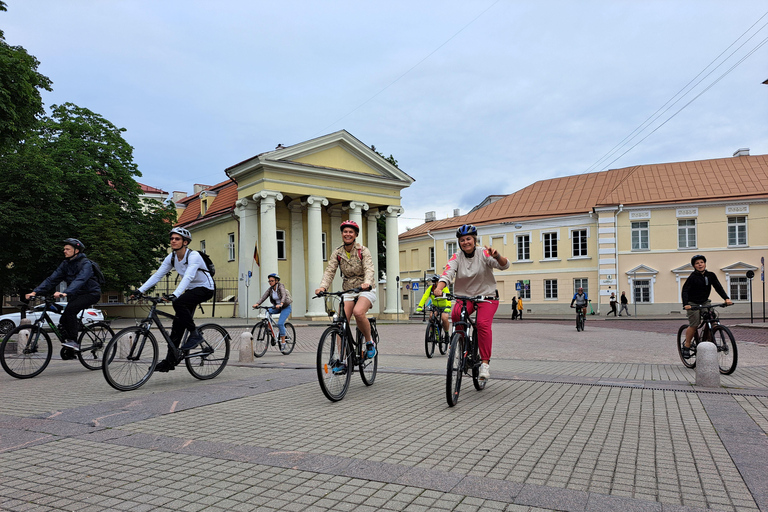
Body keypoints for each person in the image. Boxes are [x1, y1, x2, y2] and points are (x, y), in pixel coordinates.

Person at [433, 224, 509, 382]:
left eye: (468, 239)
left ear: (474, 240)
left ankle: (485, 363)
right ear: (459, 242)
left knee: (482, 324)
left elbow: (504, 265)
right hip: (465, 297)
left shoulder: (484, 253)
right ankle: (460, 347)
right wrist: (439, 288)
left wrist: (497, 256)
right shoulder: (456, 257)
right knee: (455, 315)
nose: (465, 242)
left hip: (487, 297)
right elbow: (447, 273)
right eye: (462, 240)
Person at [133, 227, 215, 372]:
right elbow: (158, 275)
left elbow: (189, 276)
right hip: (191, 290)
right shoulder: (171, 257)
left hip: (205, 288)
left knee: (179, 302)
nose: (173, 241)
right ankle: (169, 362)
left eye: (177, 239)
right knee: (177, 327)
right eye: (171, 239)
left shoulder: (194, 255)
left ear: (185, 242)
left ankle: (195, 334)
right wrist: (140, 290)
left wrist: (175, 294)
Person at [315, 220, 377, 368]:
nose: (347, 234)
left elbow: (369, 269)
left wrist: (367, 282)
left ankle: (369, 342)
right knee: (341, 322)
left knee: (358, 312)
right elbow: (330, 271)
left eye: (351, 232)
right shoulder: (338, 253)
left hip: (365, 289)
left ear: (355, 235)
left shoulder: (363, 251)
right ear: (342, 234)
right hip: (348, 289)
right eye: (345, 232)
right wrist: (322, 287)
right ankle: (342, 360)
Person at [25, 238, 101, 352]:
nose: (64, 251)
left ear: (76, 250)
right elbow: (52, 279)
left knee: (70, 310)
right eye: (64, 249)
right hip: (75, 294)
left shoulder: (86, 264)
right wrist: (35, 292)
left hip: (90, 293)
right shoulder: (65, 264)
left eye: (67, 249)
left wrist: (66, 292)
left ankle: (74, 342)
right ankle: (70, 350)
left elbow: (80, 280)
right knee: (63, 320)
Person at [681, 254, 732, 358]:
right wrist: (686, 304)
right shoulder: (692, 277)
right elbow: (685, 290)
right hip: (692, 303)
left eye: (702, 262)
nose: (700, 265)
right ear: (694, 266)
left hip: (705, 302)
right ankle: (687, 346)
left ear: (705, 263)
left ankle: (708, 341)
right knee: (694, 324)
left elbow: (718, 287)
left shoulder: (711, 275)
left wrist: (726, 298)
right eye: (697, 263)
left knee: (713, 320)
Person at [253, 273, 292, 350]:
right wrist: (257, 303)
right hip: (277, 307)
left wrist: (281, 303)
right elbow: (264, 296)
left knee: (280, 323)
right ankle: (270, 329)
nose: (270, 282)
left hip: (285, 307)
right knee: (267, 312)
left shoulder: (281, 286)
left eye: (272, 281)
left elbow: (283, 295)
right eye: (269, 281)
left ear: (276, 281)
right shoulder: (270, 289)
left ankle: (283, 342)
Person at [416, 275, 451, 342]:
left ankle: (446, 333)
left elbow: (448, 298)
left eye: (438, 281)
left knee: (444, 318)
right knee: (431, 317)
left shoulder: (445, 288)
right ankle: (432, 334)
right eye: (436, 282)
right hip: (435, 306)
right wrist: (420, 306)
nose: (437, 283)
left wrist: (448, 306)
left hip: (444, 307)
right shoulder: (431, 288)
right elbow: (425, 297)